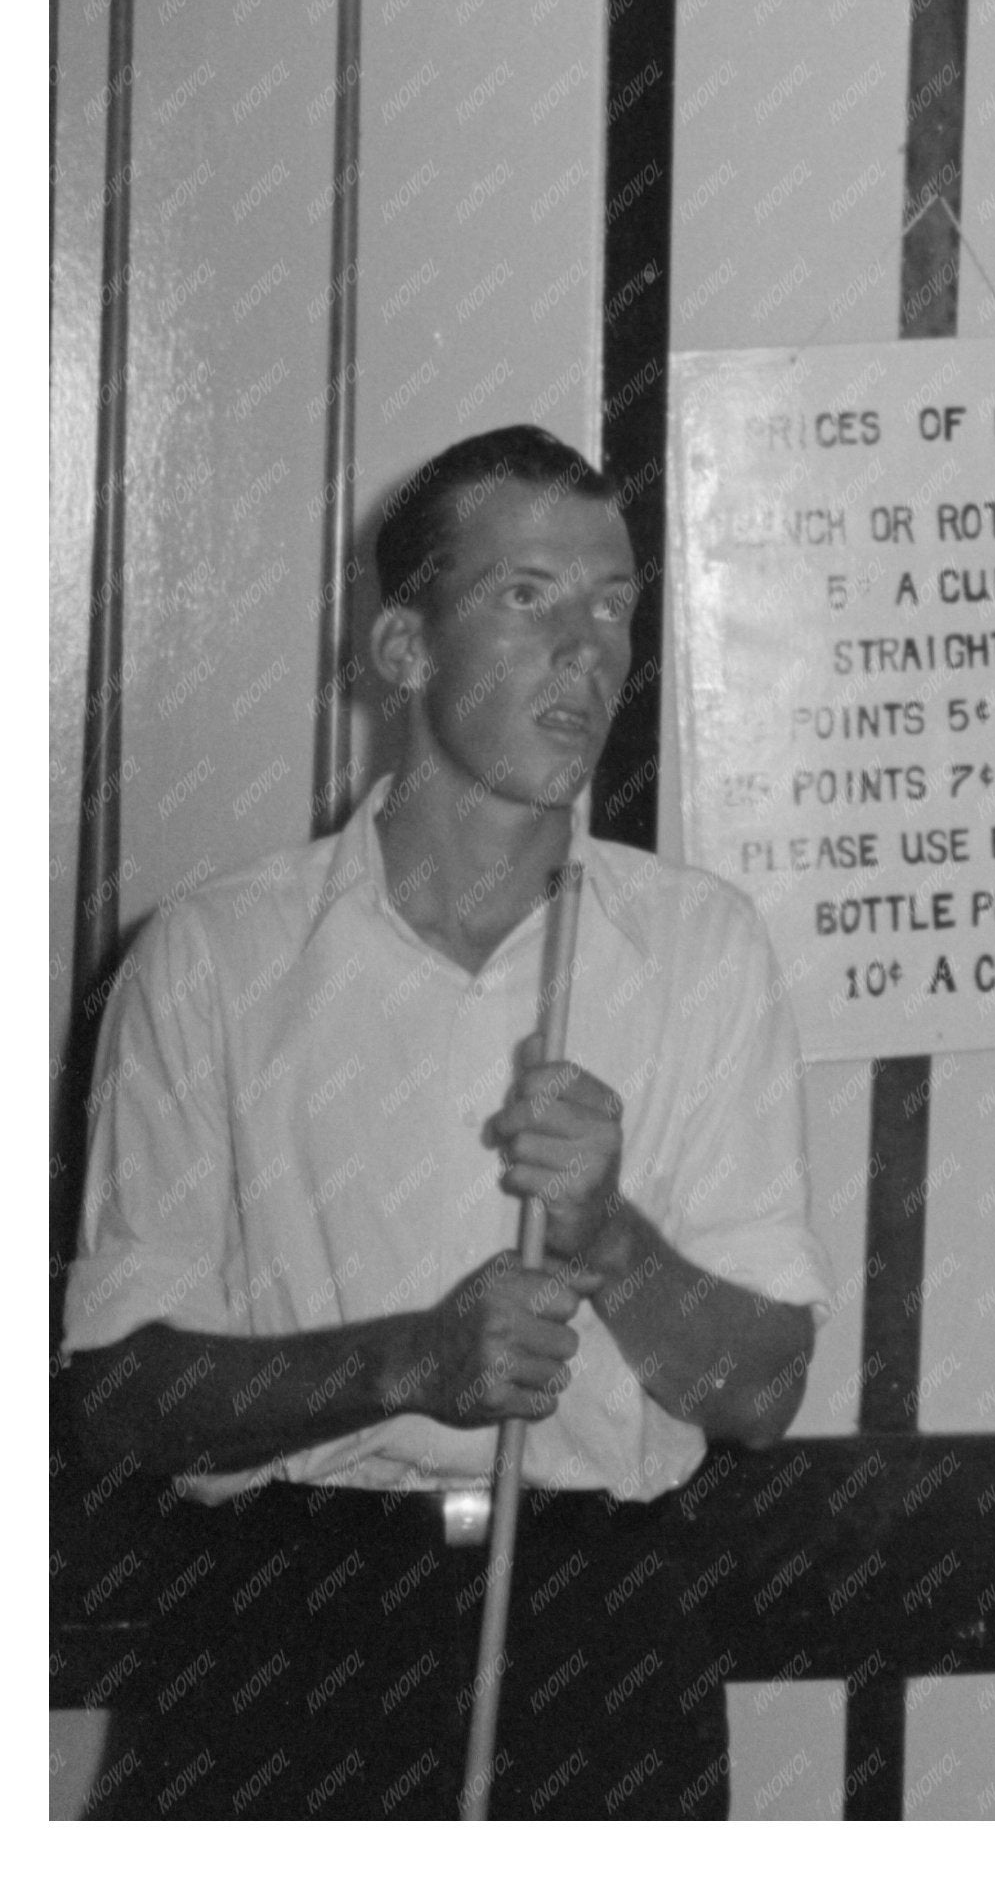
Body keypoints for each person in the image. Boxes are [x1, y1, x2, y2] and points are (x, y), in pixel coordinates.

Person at [64, 425, 830, 1819]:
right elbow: (120, 1398)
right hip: (284, 1622)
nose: (587, 649)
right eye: (527, 596)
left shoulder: (704, 947)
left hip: (603, 1627)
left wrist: (608, 1239)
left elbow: (762, 1393)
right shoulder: (215, 954)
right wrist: (412, 1360)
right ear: (403, 647)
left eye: (613, 604)